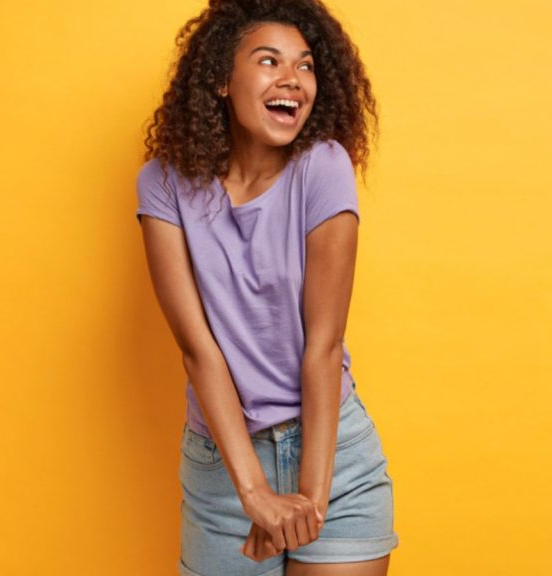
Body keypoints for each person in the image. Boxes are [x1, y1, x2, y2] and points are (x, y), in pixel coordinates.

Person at [133, 1, 396, 574]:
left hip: (332, 459)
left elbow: (323, 346)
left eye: (304, 66)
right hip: (222, 467)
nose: (292, 80)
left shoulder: (323, 167)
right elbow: (198, 349)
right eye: (269, 61)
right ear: (223, 80)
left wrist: (311, 502)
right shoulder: (163, 185)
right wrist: (253, 492)